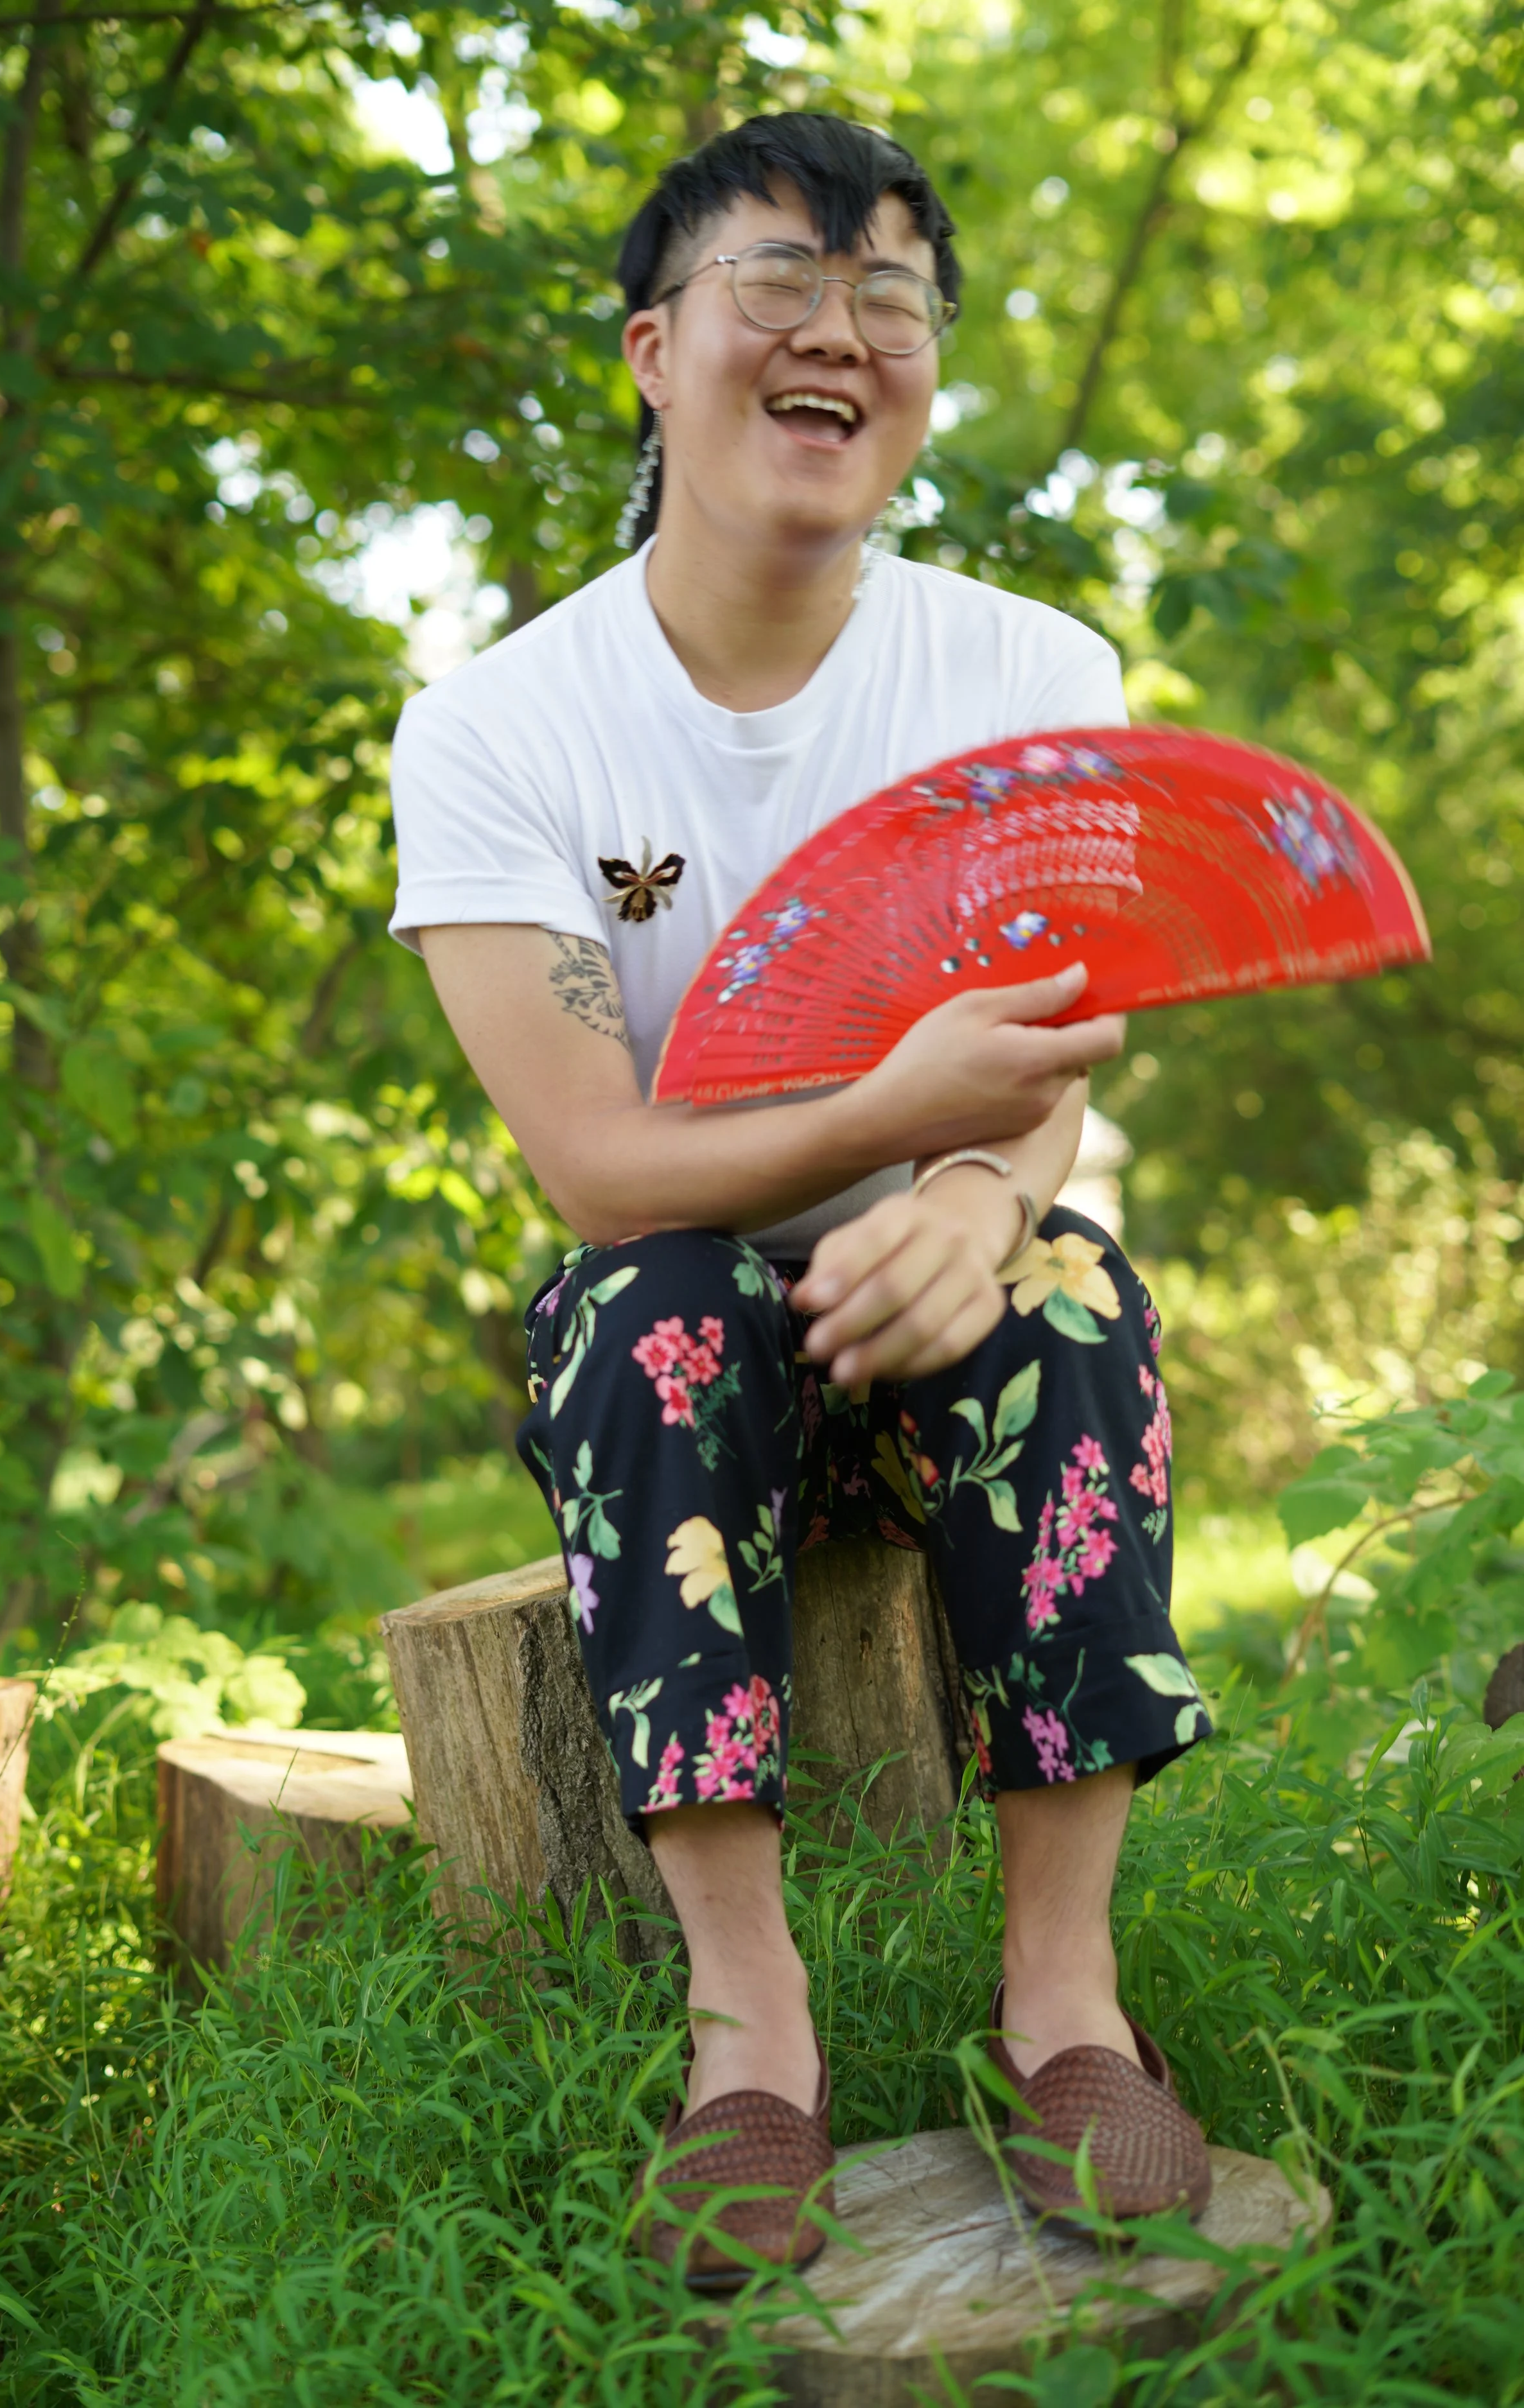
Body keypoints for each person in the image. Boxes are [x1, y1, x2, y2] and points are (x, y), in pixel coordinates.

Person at [390, 110, 1213, 2287]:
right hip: (681, 1339)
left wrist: (969, 1181)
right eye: (781, 281)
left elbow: (1054, 1053)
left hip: (943, 1265)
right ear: (652, 353)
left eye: (890, 296)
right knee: (643, 1290)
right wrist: (900, 1094)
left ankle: (1064, 2002)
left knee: (1072, 1295)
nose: (838, 328)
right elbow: (587, 1157)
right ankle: (748, 2026)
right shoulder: (498, 726)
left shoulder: (1028, 673)